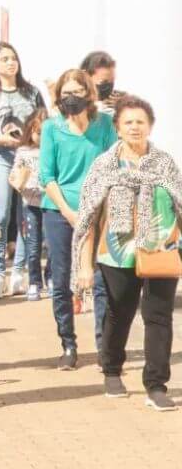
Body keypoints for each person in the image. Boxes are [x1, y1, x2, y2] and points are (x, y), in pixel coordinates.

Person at [71, 95, 181, 410]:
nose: (134, 127)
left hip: (162, 249)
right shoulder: (104, 165)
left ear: (150, 126)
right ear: (118, 128)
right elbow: (88, 217)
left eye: (140, 122)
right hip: (117, 253)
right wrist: (83, 265)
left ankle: (157, 384)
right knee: (119, 312)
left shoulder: (165, 163)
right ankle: (112, 367)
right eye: (128, 122)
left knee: (158, 316)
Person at [0, 43, 44, 298]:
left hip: (29, 158)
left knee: (27, 215)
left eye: (13, 58)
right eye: (4, 59)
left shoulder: (32, 92)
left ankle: (19, 271)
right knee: (0, 214)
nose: (10, 63)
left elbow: (43, 121)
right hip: (1, 156)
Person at [9, 112, 48, 300]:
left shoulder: (53, 150)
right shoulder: (23, 151)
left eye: (44, 132)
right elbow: (15, 170)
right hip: (29, 203)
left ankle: (51, 277)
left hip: (50, 203)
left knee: (52, 245)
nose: (40, 136)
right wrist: (16, 178)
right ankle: (34, 282)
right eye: (37, 131)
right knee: (33, 246)